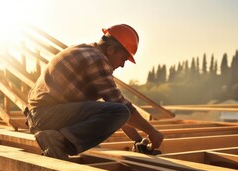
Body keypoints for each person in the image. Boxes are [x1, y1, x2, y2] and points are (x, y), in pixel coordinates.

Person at [25, 24, 164, 161]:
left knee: (115, 112)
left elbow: (116, 112)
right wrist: (152, 132)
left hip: (42, 116)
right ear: (111, 50)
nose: (122, 65)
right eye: (123, 59)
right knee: (118, 112)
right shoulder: (97, 60)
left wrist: (138, 141)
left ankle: (56, 141)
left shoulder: (85, 51)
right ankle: (57, 141)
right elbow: (121, 107)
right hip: (47, 115)